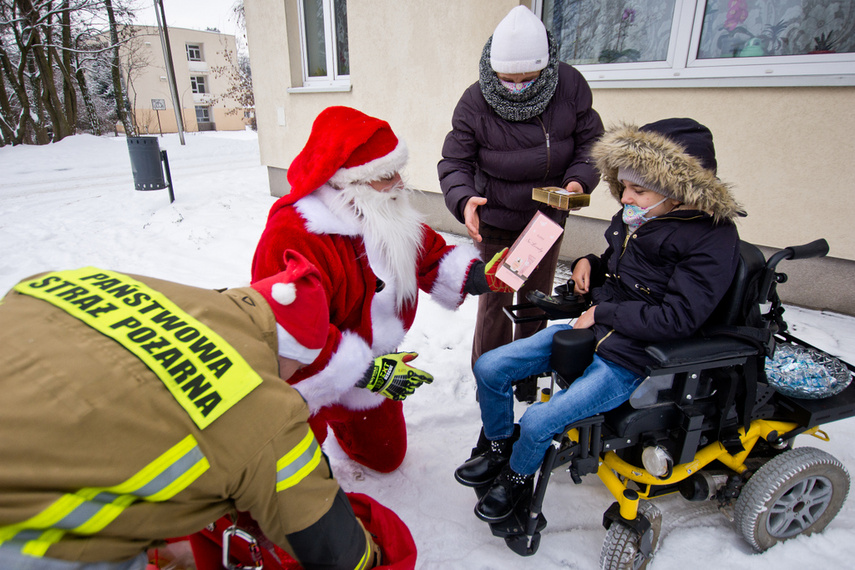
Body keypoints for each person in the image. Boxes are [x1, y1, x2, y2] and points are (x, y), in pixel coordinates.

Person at [0, 251, 415, 570]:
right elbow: (332, 541)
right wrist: (375, 555)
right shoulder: (262, 408)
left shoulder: (90, 280)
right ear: (293, 356)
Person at [454, 118, 746, 523]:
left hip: (633, 359)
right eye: (624, 186)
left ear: (677, 190)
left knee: (539, 419)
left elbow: (678, 317)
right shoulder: (642, 220)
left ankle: (518, 480)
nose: (625, 197)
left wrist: (604, 311)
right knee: (490, 367)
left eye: (638, 190)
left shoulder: (713, 240)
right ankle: (501, 448)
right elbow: (618, 268)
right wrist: (591, 264)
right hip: (596, 330)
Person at [252, 105, 511, 475]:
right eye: (385, 176)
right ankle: (309, 433)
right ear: (346, 181)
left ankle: (344, 420)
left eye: (396, 171)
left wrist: (479, 277)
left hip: (375, 360)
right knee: (298, 477)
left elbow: (429, 254)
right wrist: (365, 372)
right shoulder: (294, 235)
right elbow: (288, 336)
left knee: (387, 458)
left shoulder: (383, 209)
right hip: (305, 372)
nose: (399, 184)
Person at [437, 5, 605, 366]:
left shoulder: (570, 86)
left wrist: (577, 182)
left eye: (528, 78)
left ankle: (527, 371)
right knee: (495, 300)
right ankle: (490, 372)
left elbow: (591, 144)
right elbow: (455, 161)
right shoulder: (474, 100)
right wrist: (464, 199)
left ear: (546, 67)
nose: (516, 88)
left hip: (544, 219)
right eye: (506, 79)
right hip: (494, 217)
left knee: (535, 299)